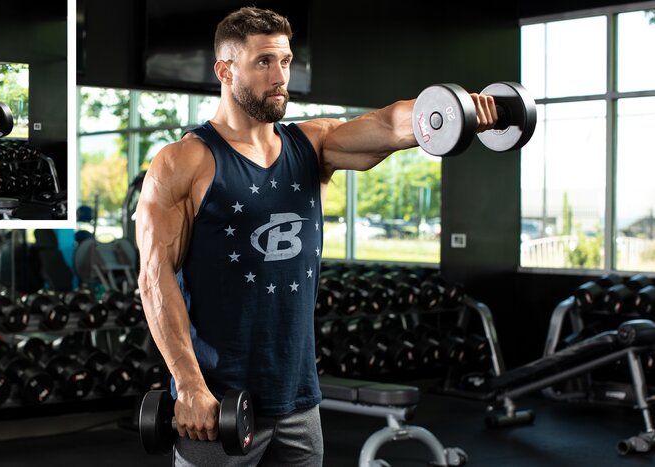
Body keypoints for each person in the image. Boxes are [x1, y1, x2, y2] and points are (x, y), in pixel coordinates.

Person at [135, 7, 498, 466]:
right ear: (225, 71)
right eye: (264, 61)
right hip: (217, 404)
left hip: (300, 400)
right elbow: (154, 278)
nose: (280, 75)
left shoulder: (314, 145)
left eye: (285, 61)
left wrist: (460, 108)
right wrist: (188, 386)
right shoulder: (183, 161)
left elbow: (390, 125)